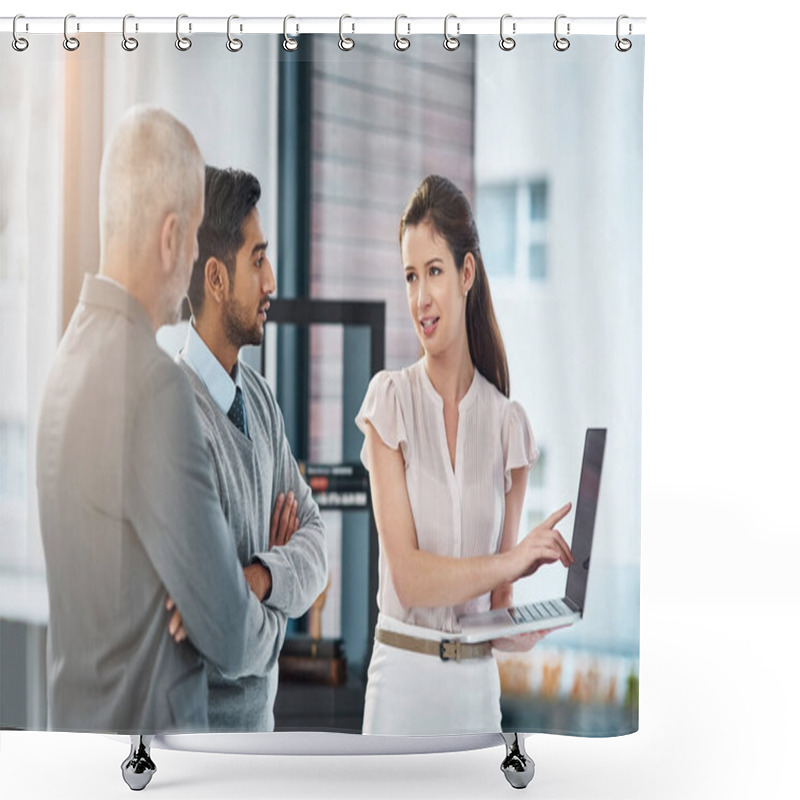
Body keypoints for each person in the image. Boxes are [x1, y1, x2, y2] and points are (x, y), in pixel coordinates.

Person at [36, 106, 285, 734]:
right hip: (154, 756)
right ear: (172, 237)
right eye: (197, 233)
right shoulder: (153, 386)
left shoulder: (66, 361)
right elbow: (228, 632)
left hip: (80, 744)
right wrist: (274, 611)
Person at [355, 175, 574, 735]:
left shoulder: (508, 428)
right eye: (410, 276)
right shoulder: (390, 404)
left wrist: (524, 628)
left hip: (476, 696)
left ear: (466, 273)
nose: (420, 298)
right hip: (400, 688)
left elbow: (494, 605)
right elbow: (409, 579)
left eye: (434, 271)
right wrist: (514, 559)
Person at [174, 165, 327, 731]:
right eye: (257, 260)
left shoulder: (260, 400)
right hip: (202, 753)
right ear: (216, 279)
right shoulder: (176, 417)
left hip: (260, 739)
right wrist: (281, 596)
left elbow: (317, 544)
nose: (271, 281)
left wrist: (260, 576)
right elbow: (230, 641)